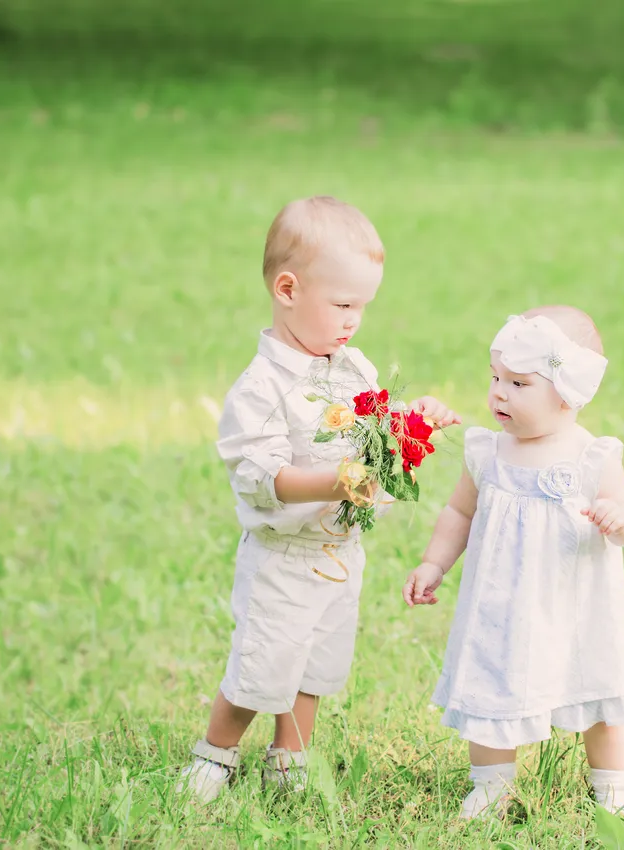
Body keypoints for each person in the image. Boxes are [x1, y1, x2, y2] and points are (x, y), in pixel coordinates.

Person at [178, 196, 460, 803]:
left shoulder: (351, 366)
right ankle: (215, 755)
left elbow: (378, 433)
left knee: (316, 663)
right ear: (287, 288)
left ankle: (291, 756)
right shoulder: (262, 387)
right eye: (343, 303)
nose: (354, 319)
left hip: (341, 551)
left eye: (363, 305)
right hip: (286, 555)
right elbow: (261, 475)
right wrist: (335, 479)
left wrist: (415, 423)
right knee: (264, 663)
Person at [404, 306, 624, 819]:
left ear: (567, 394)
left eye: (518, 382)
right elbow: (458, 511)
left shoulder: (590, 457)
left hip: (575, 606)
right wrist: (433, 564)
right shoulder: (489, 453)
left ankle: (614, 785)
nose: (498, 392)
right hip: (503, 604)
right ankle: (492, 784)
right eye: (495, 377)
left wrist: (618, 518)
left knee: (598, 687)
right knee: (492, 684)